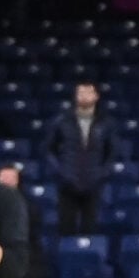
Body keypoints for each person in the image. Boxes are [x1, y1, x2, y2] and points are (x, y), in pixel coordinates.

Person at [42, 81, 116, 237]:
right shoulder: (62, 121)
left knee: (90, 230)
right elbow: (49, 149)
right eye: (80, 93)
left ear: (96, 96)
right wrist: (61, 171)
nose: (83, 96)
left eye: (87, 92)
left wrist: (101, 173)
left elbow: (112, 153)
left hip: (93, 184)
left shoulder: (106, 123)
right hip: (67, 183)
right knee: (66, 230)